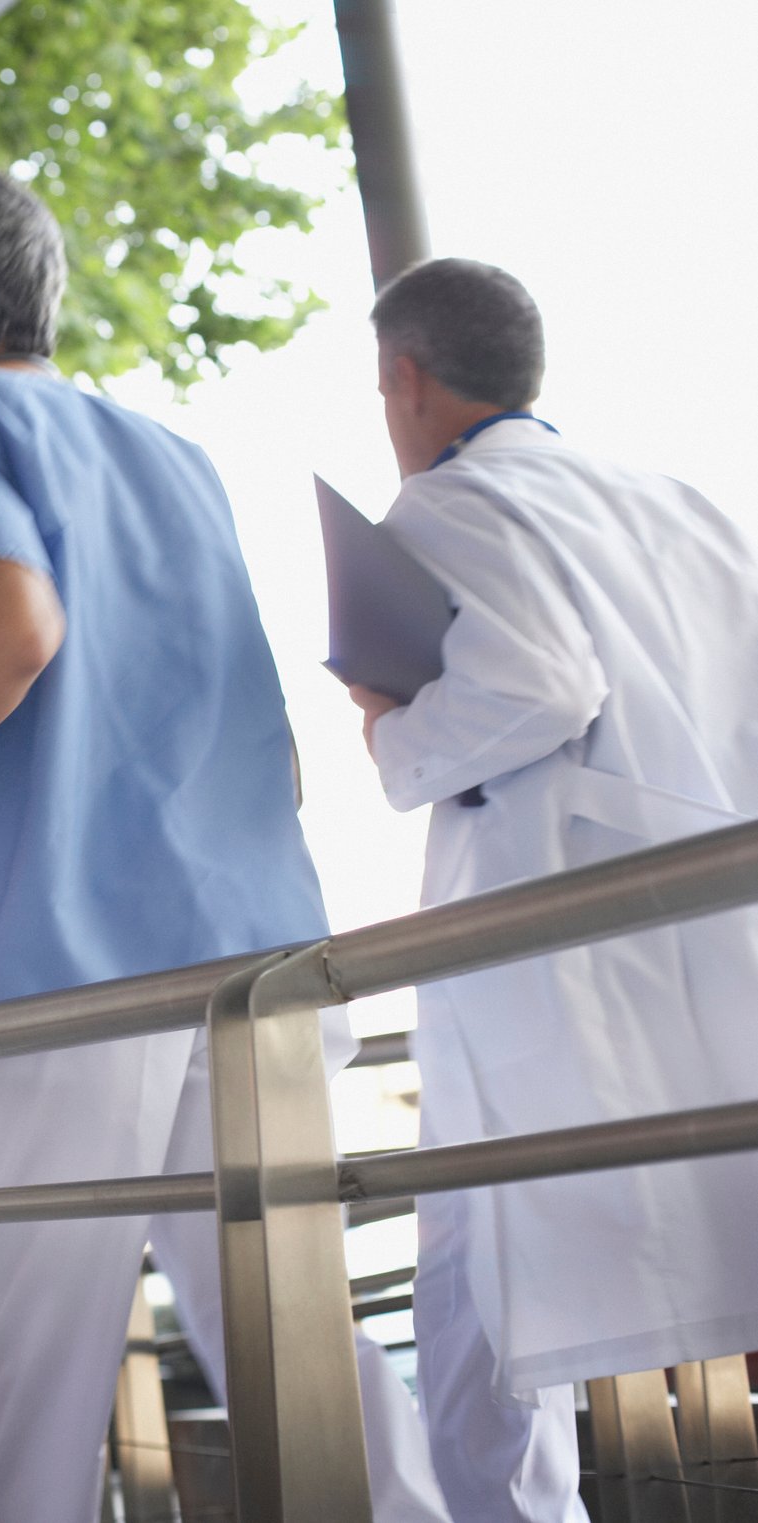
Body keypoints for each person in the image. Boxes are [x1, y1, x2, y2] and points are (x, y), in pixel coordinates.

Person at [0, 162, 450, 1523]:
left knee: (36, 1402)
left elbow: (10, 628)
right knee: (305, 1361)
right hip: (256, 965)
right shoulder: (170, 457)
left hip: (56, 983)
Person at [346, 257, 758, 1523]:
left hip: (568, 961)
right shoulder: (676, 503)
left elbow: (535, 681)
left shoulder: (445, 503)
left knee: (485, 1316)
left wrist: (387, 726)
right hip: (716, 939)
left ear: (404, 377)